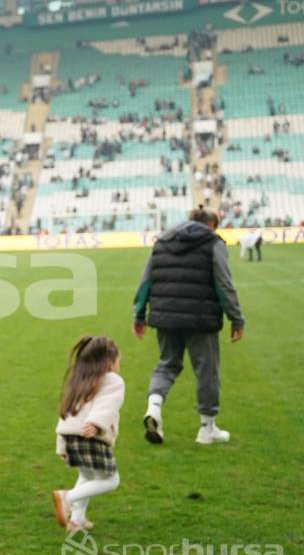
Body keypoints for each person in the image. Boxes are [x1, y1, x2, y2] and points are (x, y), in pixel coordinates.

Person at [133, 207, 243, 446]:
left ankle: (154, 408)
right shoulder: (213, 242)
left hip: (165, 316)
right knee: (206, 371)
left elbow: (145, 281)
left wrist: (139, 315)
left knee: (167, 365)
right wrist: (236, 318)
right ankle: (207, 429)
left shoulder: (162, 241)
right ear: (211, 224)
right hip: (200, 319)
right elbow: (223, 283)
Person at [52, 336, 125, 532]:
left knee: (86, 476)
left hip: (70, 436)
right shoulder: (112, 380)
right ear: (109, 361)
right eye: (118, 360)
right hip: (90, 435)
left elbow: (66, 412)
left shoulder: (79, 380)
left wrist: (61, 445)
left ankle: (76, 520)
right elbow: (106, 405)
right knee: (111, 481)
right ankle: (67, 497)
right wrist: (96, 424)